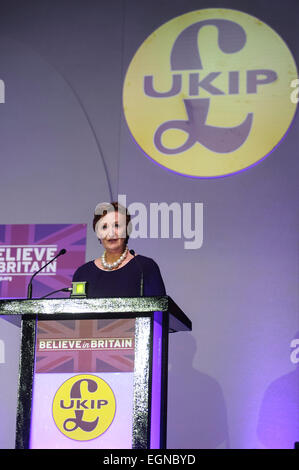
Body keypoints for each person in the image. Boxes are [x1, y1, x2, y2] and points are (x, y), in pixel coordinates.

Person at [72, 201, 166, 298]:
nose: (111, 233)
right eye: (104, 227)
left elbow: (159, 311)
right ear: (98, 233)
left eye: (117, 225)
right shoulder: (83, 273)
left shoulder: (145, 267)